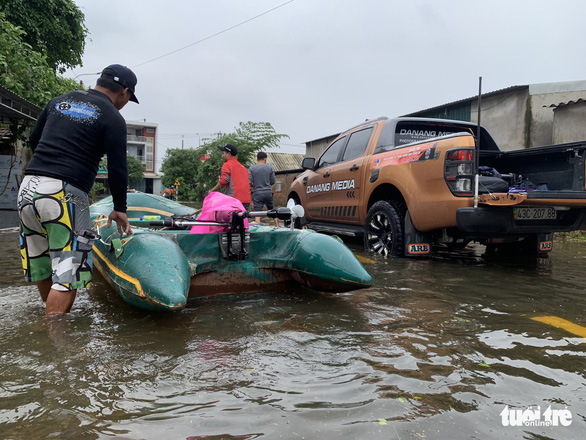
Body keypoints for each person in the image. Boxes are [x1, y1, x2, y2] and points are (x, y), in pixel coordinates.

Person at [17, 63, 138, 315]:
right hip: (65, 194)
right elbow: (117, 169)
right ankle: (55, 348)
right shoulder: (113, 117)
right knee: (68, 274)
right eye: (129, 98)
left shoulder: (58, 101)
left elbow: (34, 139)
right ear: (125, 92)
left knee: (43, 264)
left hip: (28, 189)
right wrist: (120, 208)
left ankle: (50, 327)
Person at [209, 144, 251, 209]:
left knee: (229, 219)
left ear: (228, 154)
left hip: (234, 201)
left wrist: (212, 190)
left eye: (223, 153)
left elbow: (223, 181)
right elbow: (250, 184)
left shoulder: (227, 165)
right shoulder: (243, 168)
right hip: (246, 200)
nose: (222, 156)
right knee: (242, 219)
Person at [249, 151, 278, 226]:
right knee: (272, 209)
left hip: (257, 193)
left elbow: (250, 182)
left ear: (257, 159)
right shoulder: (270, 168)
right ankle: (277, 224)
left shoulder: (252, 169)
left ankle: (257, 224)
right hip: (268, 192)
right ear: (265, 159)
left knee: (257, 212)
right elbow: (273, 181)